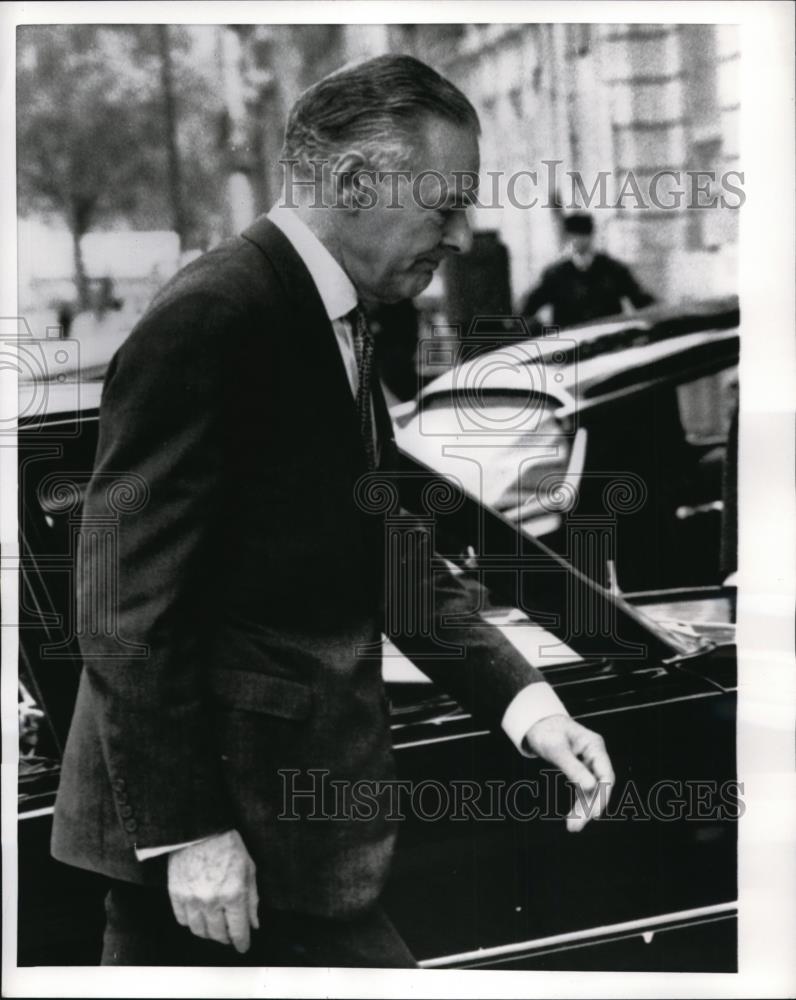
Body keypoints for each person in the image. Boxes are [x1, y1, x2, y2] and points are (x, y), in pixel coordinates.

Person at [51, 55, 615, 968]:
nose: (464, 236)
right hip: (216, 854)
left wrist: (527, 707)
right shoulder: (213, 316)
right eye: (446, 203)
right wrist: (188, 833)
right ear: (355, 180)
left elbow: (388, 549)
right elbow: (123, 601)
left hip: (276, 840)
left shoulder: (330, 315)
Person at [521, 211, 655, 329]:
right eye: (573, 235)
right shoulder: (555, 275)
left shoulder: (613, 270)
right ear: (567, 238)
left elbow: (642, 301)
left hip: (608, 343)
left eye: (582, 234)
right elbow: (528, 307)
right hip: (570, 347)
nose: (577, 240)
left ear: (591, 236)